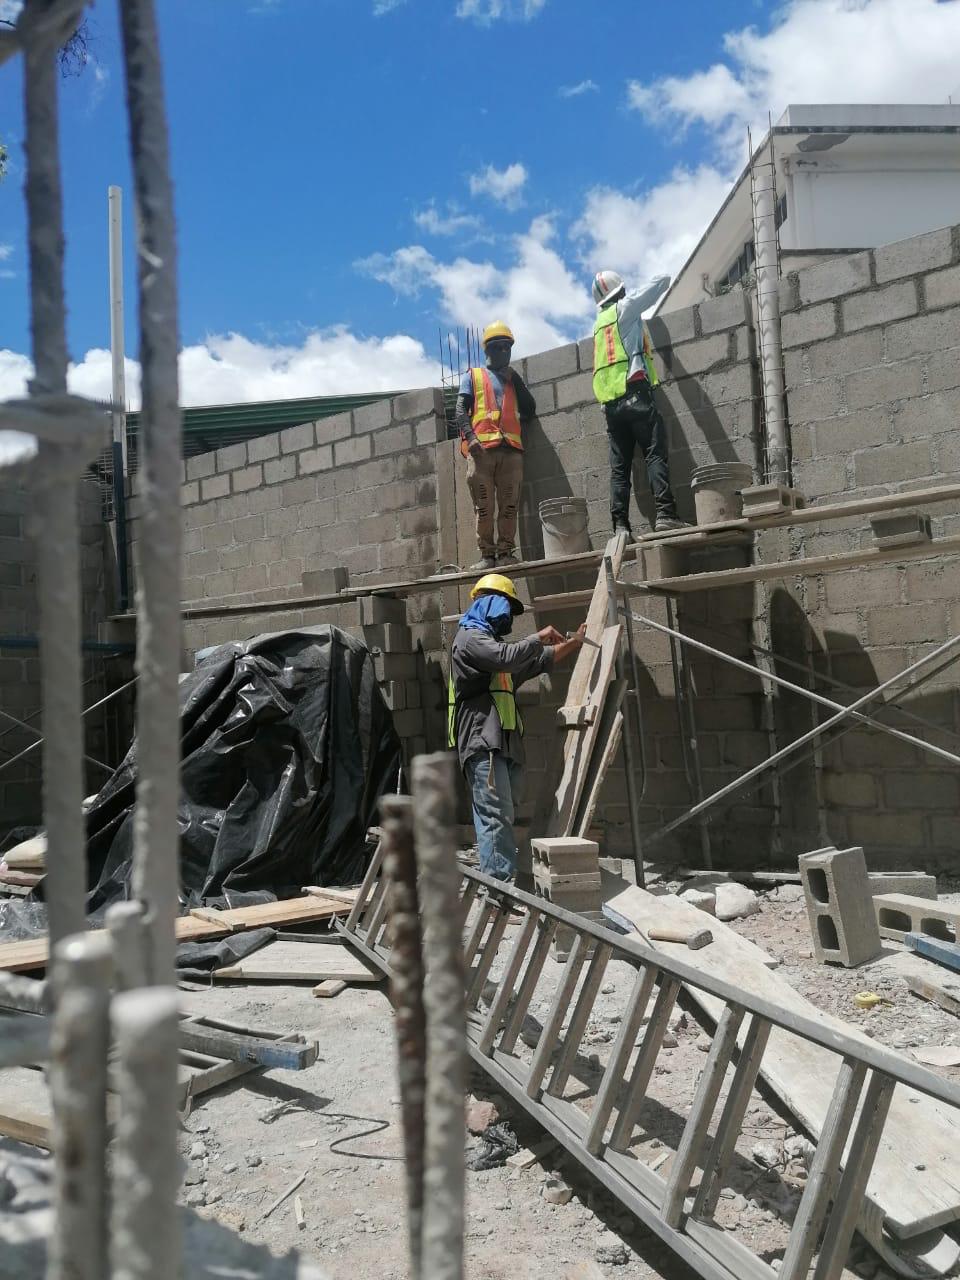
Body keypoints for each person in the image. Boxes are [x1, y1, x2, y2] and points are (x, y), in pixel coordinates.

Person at [447, 572, 585, 882]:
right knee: (494, 816)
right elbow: (506, 657)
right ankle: (499, 888)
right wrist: (536, 637)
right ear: (487, 603)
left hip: (505, 744)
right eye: (506, 606)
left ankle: (501, 880)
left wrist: (575, 642)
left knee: (504, 814)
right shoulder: (469, 638)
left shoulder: (494, 650)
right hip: (483, 741)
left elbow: (539, 661)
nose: (507, 615)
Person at [592, 269, 687, 538]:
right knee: (654, 454)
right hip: (635, 395)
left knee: (619, 470)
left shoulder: (599, 326)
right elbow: (662, 281)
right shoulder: (625, 308)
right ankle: (666, 514)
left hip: (611, 406)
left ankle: (620, 526)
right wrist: (631, 297)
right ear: (619, 291)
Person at [455, 321, 537, 570]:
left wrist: (517, 381)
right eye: (498, 347)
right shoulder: (474, 376)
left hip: (511, 451)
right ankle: (487, 555)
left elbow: (529, 410)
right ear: (487, 350)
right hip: (482, 452)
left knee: (509, 506)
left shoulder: (512, 380)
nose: (503, 351)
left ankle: (505, 552)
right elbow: (460, 410)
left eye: (507, 347)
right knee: (484, 507)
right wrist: (471, 438)